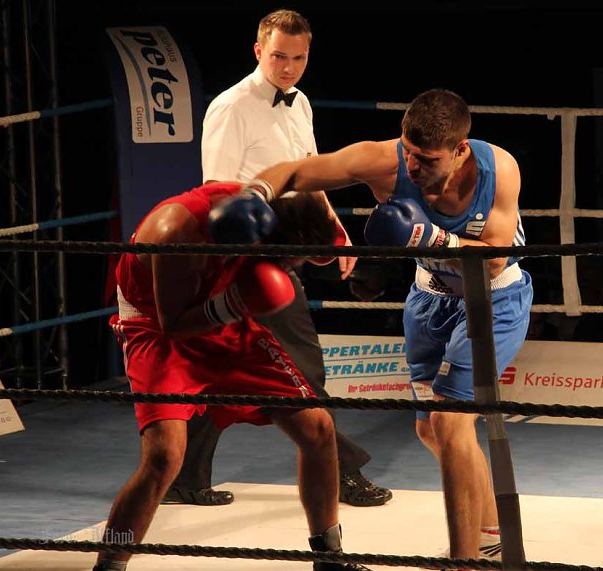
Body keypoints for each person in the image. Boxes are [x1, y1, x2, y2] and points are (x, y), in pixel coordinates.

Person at [210, 88, 533, 562]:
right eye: (408, 152)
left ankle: (463, 560)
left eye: (426, 158)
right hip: (428, 299)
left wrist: (425, 234)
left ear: (460, 150)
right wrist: (254, 195)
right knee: (432, 431)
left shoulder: (497, 169)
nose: (413, 167)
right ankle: (488, 537)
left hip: (492, 299)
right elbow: (296, 170)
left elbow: (492, 259)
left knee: (449, 422)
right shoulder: (384, 161)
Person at [163, 8, 391, 508]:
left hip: (288, 247)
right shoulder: (231, 107)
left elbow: (308, 173)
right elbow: (217, 193)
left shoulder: (301, 103)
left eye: (299, 58)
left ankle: (182, 476)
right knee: (302, 362)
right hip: (249, 253)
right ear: (258, 51)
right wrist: (236, 265)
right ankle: (341, 472)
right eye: (279, 56)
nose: (288, 68)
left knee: (232, 368)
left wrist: (334, 228)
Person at [94, 182, 369, 571]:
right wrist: (237, 302)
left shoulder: (258, 211)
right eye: (291, 261)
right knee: (163, 457)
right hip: (157, 325)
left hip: (217, 317)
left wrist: (334, 248)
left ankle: (329, 558)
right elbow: (174, 324)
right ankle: (109, 564)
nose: (291, 271)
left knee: (318, 428)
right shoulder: (176, 230)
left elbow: (306, 178)